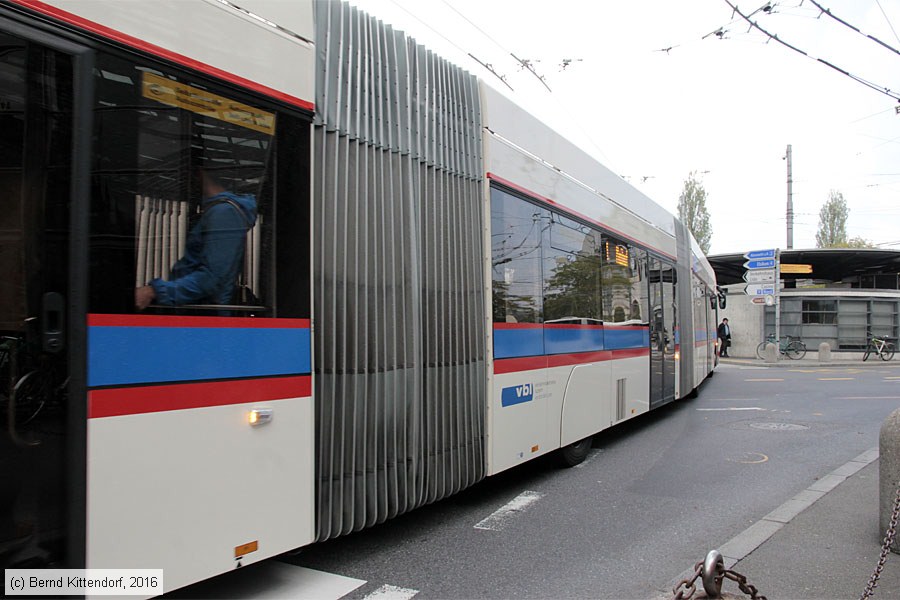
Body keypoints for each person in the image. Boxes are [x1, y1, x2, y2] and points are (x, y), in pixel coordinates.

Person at [135, 171, 257, 310]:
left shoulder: (224, 213)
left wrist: (155, 291)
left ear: (199, 172)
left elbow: (212, 279)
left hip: (205, 315)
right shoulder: (217, 210)